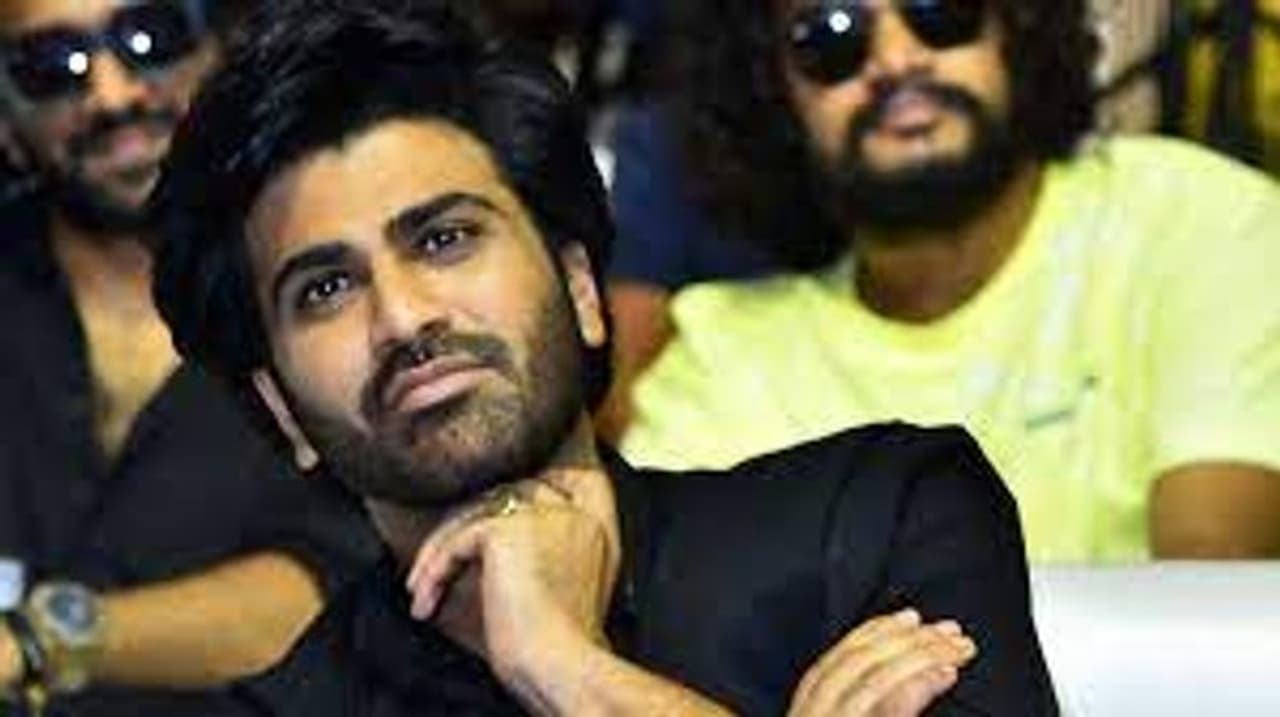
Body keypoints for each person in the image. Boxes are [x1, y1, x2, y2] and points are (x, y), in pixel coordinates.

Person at [147, 1, 1056, 714]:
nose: (404, 316)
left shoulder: (880, 517)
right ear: (279, 406)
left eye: (445, 238)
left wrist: (565, 667)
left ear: (581, 287)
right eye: (325, 289)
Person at [619, 0, 1280, 562]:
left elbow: (1211, 596)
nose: (897, 60)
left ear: (1015, 26)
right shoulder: (727, 353)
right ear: (769, 89)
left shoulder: (1193, 216)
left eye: (941, 10)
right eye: (831, 36)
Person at [0, 0, 376, 714]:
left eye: (151, 35)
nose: (112, 95)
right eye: (50, 65)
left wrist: (38, 641)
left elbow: (341, 588)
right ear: (6, 124)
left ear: (225, 52)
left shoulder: (338, 280)